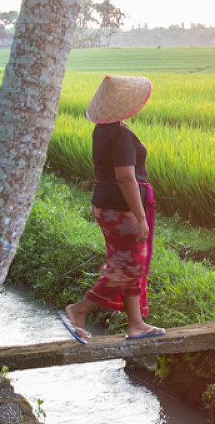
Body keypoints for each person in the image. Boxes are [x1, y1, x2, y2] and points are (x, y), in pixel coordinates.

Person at [58, 75, 165, 342]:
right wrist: (141, 218)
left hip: (104, 206)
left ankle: (136, 324)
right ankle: (79, 310)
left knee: (126, 263)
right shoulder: (121, 135)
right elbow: (126, 177)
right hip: (121, 211)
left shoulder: (103, 130)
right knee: (127, 267)